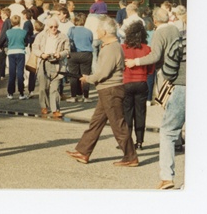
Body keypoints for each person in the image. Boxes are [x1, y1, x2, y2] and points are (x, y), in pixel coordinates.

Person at [66, 17, 138, 166]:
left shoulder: (112, 48)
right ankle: (83, 152)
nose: (96, 31)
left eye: (98, 29)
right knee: (96, 122)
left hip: (110, 91)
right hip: (107, 90)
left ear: (104, 31)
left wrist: (88, 78)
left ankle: (131, 157)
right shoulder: (111, 46)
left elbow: (104, 72)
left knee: (118, 125)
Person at [156, 29, 186, 190]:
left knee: (168, 131)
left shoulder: (182, 41)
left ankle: (167, 176)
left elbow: (168, 70)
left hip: (183, 87)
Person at [121, 22, 153, 150]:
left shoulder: (123, 48)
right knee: (140, 113)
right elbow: (151, 70)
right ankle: (139, 142)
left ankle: (127, 142)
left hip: (127, 82)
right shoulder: (147, 49)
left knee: (127, 113)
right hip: (142, 82)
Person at [31, 17, 70, 117]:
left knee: (55, 88)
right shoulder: (41, 35)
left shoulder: (63, 36)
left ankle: (55, 109)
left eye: (56, 27)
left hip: (57, 64)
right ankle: (44, 106)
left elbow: (67, 50)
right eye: (51, 27)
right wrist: (41, 54)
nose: (54, 28)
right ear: (47, 27)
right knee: (43, 87)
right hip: (44, 62)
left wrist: (60, 54)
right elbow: (34, 47)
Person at [66, 13, 95, 102]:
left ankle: (73, 96)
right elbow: (91, 41)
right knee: (85, 75)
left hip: (74, 54)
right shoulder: (89, 31)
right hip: (86, 54)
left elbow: (68, 40)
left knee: (73, 76)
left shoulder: (71, 30)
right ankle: (86, 96)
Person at [2, 15, 28, 100]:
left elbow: (6, 42)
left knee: (11, 73)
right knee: (20, 73)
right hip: (20, 52)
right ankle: (21, 92)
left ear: (11, 22)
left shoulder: (8, 32)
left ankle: (10, 93)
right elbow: (26, 43)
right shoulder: (23, 32)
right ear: (19, 22)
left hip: (11, 52)